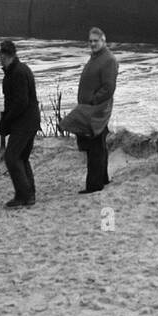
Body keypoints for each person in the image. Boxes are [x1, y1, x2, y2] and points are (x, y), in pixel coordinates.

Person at [61, 27, 118, 194]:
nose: (92, 43)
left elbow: (109, 87)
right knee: (99, 145)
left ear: (103, 41)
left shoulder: (108, 60)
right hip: (91, 109)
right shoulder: (97, 57)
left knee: (95, 148)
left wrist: (93, 101)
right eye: (91, 41)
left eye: (96, 40)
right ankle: (103, 179)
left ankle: (94, 185)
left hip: (96, 111)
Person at [0, 40, 39, 208]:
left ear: (5, 56)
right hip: (31, 120)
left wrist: (7, 120)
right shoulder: (20, 69)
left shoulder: (17, 73)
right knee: (22, 157)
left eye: (1, 55)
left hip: (24, 122)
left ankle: (23, 195)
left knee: (12, 157)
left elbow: (21, 102)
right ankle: (30, 195)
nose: (0, 59)